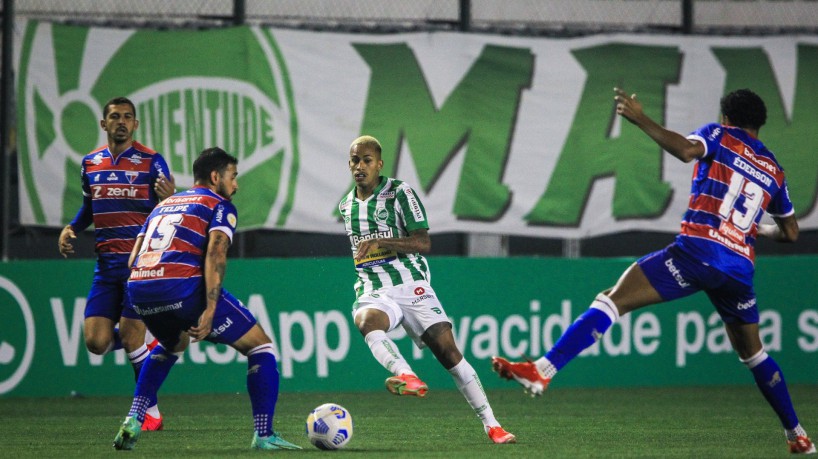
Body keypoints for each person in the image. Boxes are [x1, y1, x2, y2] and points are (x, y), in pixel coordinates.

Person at [492, 88, 814, 454]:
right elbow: (790, 233)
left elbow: (685, 150)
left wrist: (640, 119)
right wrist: (755, 229)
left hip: (699, 251)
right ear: (759, 124)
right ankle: (797, 434)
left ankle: (543, 370)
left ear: (726, 118)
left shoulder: (720, 135)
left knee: (613, 301)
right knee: (754, 354)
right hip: (738, 270)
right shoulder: (774, 169)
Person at [113, 147, 299, 451]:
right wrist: (210, 308)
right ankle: (264, 435)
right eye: (233, 176)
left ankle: (134, 418)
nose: (236, 184)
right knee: (261, 346)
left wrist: (143, 298)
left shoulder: (164, 205)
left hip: (139, 287)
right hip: (180, 287)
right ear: (216, 177)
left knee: (173, 343)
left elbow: (134, 257)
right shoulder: (219, 205)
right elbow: (215, 253)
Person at [338, 135, 515, 444]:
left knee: (448, 353)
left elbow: (423, 242)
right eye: (354, 160)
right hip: (374, 287)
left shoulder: (399, 192)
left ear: (379, 164)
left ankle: (492, 424)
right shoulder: (346, 206)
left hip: (411, 284)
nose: (360, 166)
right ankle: (405, 374)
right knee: (366, 321)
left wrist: (382, 241)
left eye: (367, 160)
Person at [58, 97, 174, 431]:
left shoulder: (152, 162)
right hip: (105, 266)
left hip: (141, 264)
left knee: (131, 336)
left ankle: (148, 411)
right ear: (103, 123)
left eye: (127, 117)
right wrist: (72, 228)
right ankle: (147, 344)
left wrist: (170, 198)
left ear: (135, 124)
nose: (121, 121)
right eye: (114, 116)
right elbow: (89, 208)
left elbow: (171, 208)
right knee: (96, 343)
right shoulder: (90, 163)